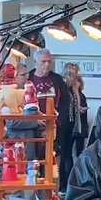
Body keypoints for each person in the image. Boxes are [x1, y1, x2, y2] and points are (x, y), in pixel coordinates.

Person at [29, 49, 72, 187]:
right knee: (32, 167)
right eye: (43, 62)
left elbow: (66, 104)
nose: (47, 65)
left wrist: (57, 121)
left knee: (52, 167)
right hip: (32, 131)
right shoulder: (29, 79)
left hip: (53, 129)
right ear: (36, 62)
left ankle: (52, 199)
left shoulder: (57, 80)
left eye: (49, 62)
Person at [70, 75, 89, 159]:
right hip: (72, 126)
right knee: (68, 151)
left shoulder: (82, 96)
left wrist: (81, 109)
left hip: (81, 126)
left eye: (78, 82)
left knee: (79, 151)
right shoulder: (70, 95)